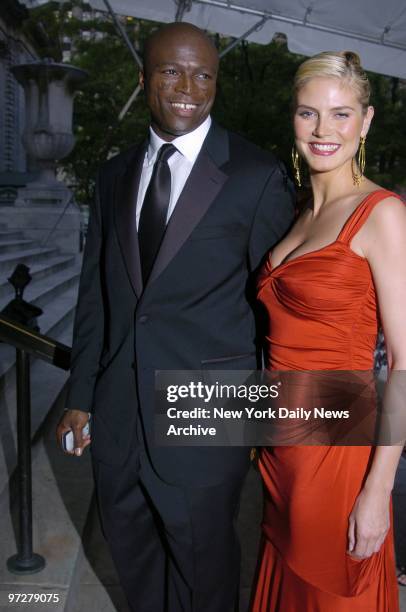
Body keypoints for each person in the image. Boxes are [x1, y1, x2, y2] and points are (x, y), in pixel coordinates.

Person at [56, 22, 295, 612]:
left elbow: (279, 316)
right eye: (171, 71)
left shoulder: (255, 176)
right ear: (145, 78)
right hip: (116, 418)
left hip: (206, 420)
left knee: (203, 574)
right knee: (134, 561)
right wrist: (80, 394)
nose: (189, 86)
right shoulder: (112, 176)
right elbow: (97, 298)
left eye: (203, 74)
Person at [251, 51, 406, 611]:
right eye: (308, 113)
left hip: (338, 453)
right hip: (280, 451)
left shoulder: (382, 213)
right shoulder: (301, 211)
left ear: (366, 122)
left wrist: (377, 489)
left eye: (342, 114)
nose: (323, 130)